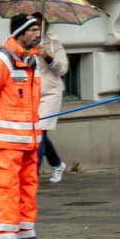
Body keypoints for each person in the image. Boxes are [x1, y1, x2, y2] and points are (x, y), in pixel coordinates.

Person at [0, 14, 52, 239]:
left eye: (38, 29)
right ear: (19, 33)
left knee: (28, 188)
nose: (37, 34)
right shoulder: (1, 62)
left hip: (30, 139)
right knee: (8, 189)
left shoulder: (31, 61)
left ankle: (26, 235)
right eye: (32, 30)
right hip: (9, 141)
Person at [34, 27, 68, 185]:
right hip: (30, 94)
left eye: (38, 25)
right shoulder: (23, 45)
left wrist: (47, 56)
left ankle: (33, 172)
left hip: (50, 94)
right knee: (38, 133)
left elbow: (62, 69)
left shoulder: (54, 44)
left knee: (39, 131)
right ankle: (57, 163)